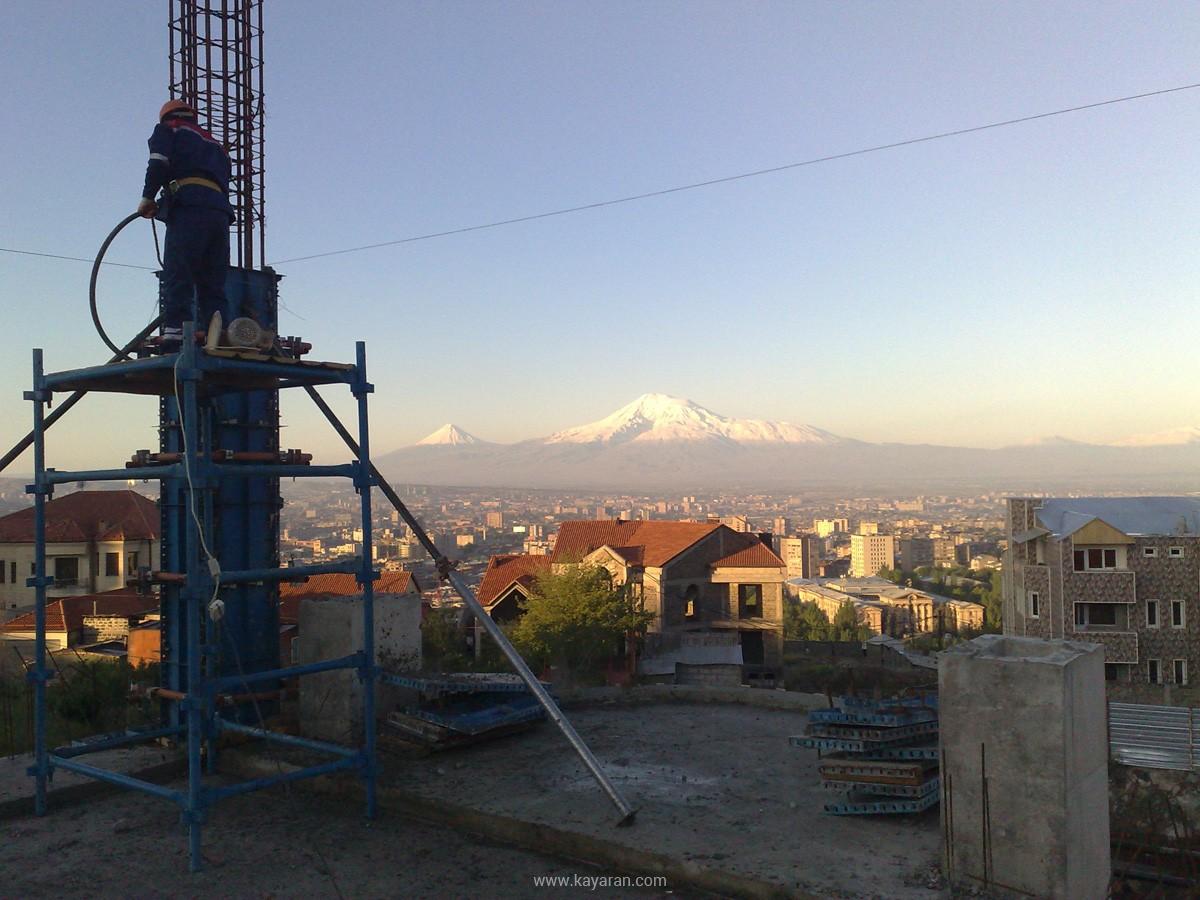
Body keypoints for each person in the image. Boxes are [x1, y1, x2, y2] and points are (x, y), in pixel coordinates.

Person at [137, 100, 233, 346]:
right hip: (220, 214)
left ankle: (175, 331)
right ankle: (219, 332)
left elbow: (159, 162)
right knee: (213, 280)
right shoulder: (217, 146)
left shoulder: (170, 129)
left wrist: (148, 197)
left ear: (166, 117)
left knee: (179, 270)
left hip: (189, 208)